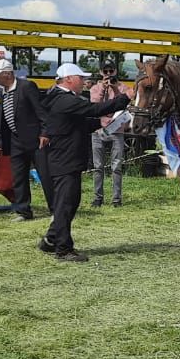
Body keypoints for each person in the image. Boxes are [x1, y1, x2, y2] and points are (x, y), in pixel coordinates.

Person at [38, 63, 131, 262]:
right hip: (65, 159)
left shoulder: (62, 99)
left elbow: (78, 123)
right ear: (68, 79)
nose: (84, 82)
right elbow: (93, 108)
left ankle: (51, 239)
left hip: (66, 158)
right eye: (80, 78)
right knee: (66, 204)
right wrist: (125, 98)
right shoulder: (63, 99)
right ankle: (63, 249)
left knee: (70, 202)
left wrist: (100, 122)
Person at [0, 59, 49, 221]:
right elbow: (6, 121)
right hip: (16, 141)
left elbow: (40, 111)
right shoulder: (4, 92)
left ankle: (56, 209)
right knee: (18, 177)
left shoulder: (26, 87)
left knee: (45, 175)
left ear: (7, 74)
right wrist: (2, 143)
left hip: (35, 140)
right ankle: (23, 210)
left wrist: (44, 133)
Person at [89, 58, 134, 207]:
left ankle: (116, 199)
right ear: (101, 72)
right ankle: (98, 198)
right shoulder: (94, 88)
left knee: (116, 166)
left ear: (115, 71)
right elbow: (96, 105)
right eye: (105, 71)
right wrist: (103, 87)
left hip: (117, 130)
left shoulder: (123, 88)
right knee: (98, 166)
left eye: (111, 71)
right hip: (98, 130)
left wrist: (114, 88)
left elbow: (122, 103)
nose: (108, 74)